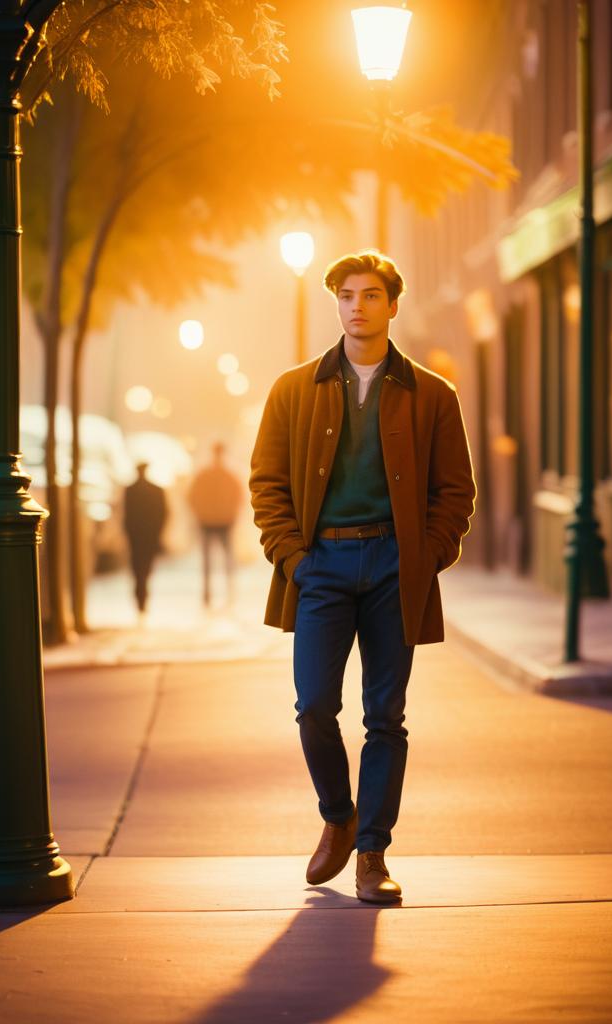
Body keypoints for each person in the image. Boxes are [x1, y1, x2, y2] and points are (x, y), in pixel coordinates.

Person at [249, 250, 476, 904]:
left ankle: (372, 853)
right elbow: (266, 484)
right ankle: (337, 814)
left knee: (386, 715)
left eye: (370, 294)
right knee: (315, 706)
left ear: (392, 305)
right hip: (319, 566)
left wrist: (425, 555)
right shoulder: (294, 389)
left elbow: (455, 492)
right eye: (346, 294)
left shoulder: (432, 394)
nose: (356, 305)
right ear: (337, 304)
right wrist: (293, 557)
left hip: (391, 568)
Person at [187, 442, 244, 607]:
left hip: (209, 521)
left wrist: (200, 513)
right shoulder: (229, 475)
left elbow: (192, 497)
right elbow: (239, 498)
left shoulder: (205, 475)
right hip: (223, 522)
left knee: (209, 561)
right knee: (226, 559)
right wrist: (232, 514)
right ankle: (227, 592)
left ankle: (209, 594)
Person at [122, 461, 167, 619]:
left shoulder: (129, 490)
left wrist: (127, 532)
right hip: (149, 536)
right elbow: (164, 513)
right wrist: (158, 532)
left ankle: (140, 596)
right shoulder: (157, 490)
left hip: (136, 536)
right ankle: (142, 596)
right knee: (146, 567)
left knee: (137, 568)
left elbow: (126, 515)